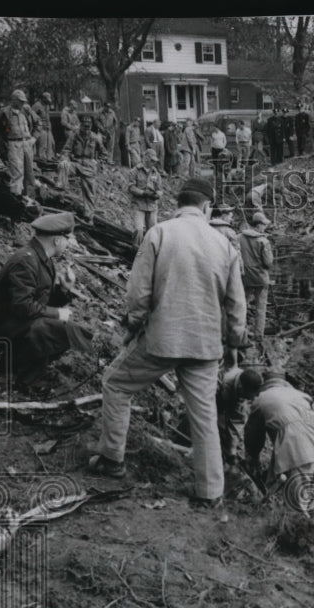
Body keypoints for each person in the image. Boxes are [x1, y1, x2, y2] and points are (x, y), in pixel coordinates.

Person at [88, 178, 246, 509]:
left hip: (162, 340)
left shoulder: (159, 233)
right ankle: (209, 492)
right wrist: (233, 344)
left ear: (179, 204)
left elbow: (138, 292)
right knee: (204, 414)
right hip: (205, 346)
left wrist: (134, 323)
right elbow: (236, 306)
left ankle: (112, 459)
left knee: (116, 384)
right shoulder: (225, 245)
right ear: (206, 208)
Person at [0, 212, 93, 385]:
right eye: (68, 238)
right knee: (51, 329)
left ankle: (17, 368)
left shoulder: (41, 259)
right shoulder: (26, 261)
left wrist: (63, 289)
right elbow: (22, 306)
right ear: (57, 240)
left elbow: (40, 302)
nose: (69, 243)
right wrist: (57, 313)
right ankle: (21, 377)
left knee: (59, 328)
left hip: (13, 322)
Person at [243, 371, 314, 503]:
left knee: (297, 505)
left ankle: (296, 521)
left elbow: (254, 435)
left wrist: (253, 457)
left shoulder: (260, 399)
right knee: (308, 498)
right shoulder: (302, 396)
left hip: (297, 451)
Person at [239, 211, 275, 346]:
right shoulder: (263, 241)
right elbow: (268, 263)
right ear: (258, 225)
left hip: (244, 277)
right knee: (261, 307)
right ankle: (258, 335)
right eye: (264, 224)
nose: (265, 227)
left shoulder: (239, 238)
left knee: (242, 305)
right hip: (260, 278)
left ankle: (241, 333)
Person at [59, 116, 105, 219]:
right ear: (81, 125)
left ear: (91, 126)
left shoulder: (95, 137)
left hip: (89, 165)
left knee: (89, 192)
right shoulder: (74, 135)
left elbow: (103, 153)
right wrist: (65, 158)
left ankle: (88, 215)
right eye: (84, 126)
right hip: (76, 163)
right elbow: (66, 150)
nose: (86, 128)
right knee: (63, 165)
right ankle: (61, 193)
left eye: (88, 126)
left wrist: (98, 164)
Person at [0, 89, 36, 198]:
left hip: (27, 144)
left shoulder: (26, 111)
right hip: (14, 144)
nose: (23, 103)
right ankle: (16, 199)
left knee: (29, 172)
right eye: (20, 101)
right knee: (16, 173)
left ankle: (30, 199)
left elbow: (38, 123)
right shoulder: (4, 112)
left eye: (23, 101)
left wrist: (33, 138)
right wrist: (4, 144)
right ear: (14, 100)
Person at [216, 367, 264, 466]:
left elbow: (236, 420)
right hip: (211, 398)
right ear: (241, 388)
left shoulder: (246, 386)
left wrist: (232, 452)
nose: (253, 398)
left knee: (229, 439)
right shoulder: (223, 383)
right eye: (250, 396)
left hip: (225, 402)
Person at [127, 148, 162, 246]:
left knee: (153, 232)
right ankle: (136, 251)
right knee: (138, 230)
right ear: (145, 158)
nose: (153, 163)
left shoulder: (156, 173)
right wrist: (143, 193)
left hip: (152, 206)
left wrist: (157, 194)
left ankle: (151, 253)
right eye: (151, 160)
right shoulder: (135, 171)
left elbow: (159, 189)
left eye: (154, 161)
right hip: (139, 205)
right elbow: (131, 187)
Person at [31, 92, 56, 162]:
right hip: (40, 128)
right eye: (47, 99)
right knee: (42, 145)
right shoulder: (36, 105)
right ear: (43, 98)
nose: (48, 102)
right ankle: (41, 160)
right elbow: (31, 116)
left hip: (47, 128)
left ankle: (49, 157)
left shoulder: (47, 105)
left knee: (51, 144)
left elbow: (47, 117)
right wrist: (36, 126)